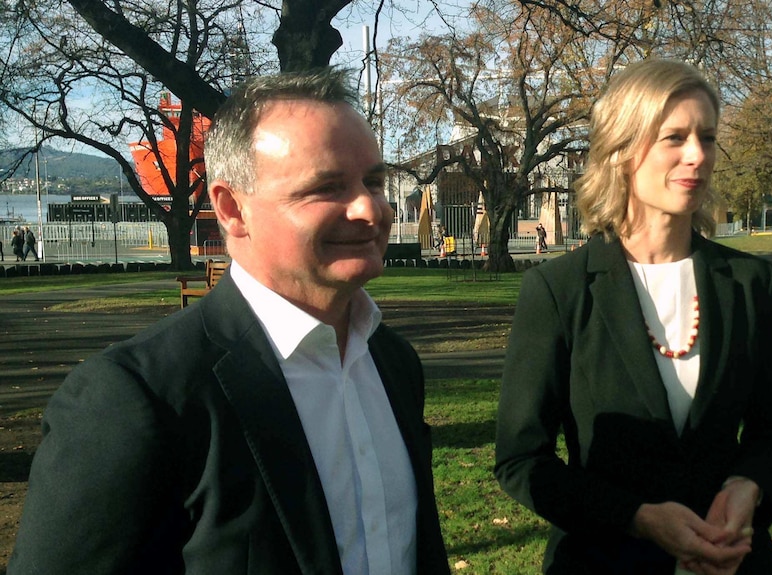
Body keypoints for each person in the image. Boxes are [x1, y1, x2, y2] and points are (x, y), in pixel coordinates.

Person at [10, 68, 450, 575]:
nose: (371, 210)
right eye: (327, 187)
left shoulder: (393, 362)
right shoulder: (136, 399)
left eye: (374, 181)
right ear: (232, 209)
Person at [495, 59, 772, 575]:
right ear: (622, 150)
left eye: (707, 136)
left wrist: (748, 486)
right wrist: (635, 518)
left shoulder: (750, 283)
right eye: (674, 137)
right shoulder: (558, 290)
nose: (697, 155)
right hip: (602, 561)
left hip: (733, 563)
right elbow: (523, 461)